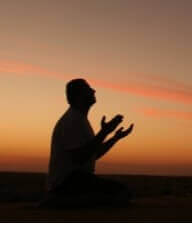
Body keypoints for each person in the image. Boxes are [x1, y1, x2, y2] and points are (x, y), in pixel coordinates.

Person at [42, 78, 134, 208]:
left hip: (77, 179)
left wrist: (114, 137)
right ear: (78, 96)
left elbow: (92, 154)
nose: (93, 91)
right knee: (119, 194)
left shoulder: (79, 119)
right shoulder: (72, 121)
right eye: (88, 89)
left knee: (121, 193)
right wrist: (104, 132)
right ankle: (60, 201)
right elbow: (79, 158)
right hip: (67, 183)